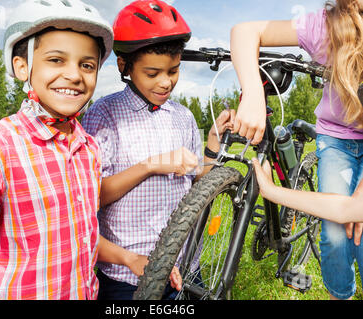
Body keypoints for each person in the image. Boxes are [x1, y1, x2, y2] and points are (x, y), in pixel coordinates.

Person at [0, 0, 149, 300]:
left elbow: (77, 236)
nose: (75, 75)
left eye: (87, 65)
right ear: (22, 66)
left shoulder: (88, 149)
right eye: (56, 60)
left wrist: (127, 258)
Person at [82, 0, 234, 300]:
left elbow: (197, 182)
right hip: (129, 276)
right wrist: (151, 165)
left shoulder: (183, 117)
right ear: (124, 66)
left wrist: (213, 143)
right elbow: (92, 196)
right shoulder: (104, 115)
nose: (166, 82)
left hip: (186, 264)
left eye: (173, 71)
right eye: (153, 73)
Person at [230, 0, 363, 300]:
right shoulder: (327, 25)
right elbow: (245, 31)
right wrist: (252, 94)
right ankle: (339, 294)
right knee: (335, 233)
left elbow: (351, 209)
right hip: (338, 136)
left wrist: (357, 204)